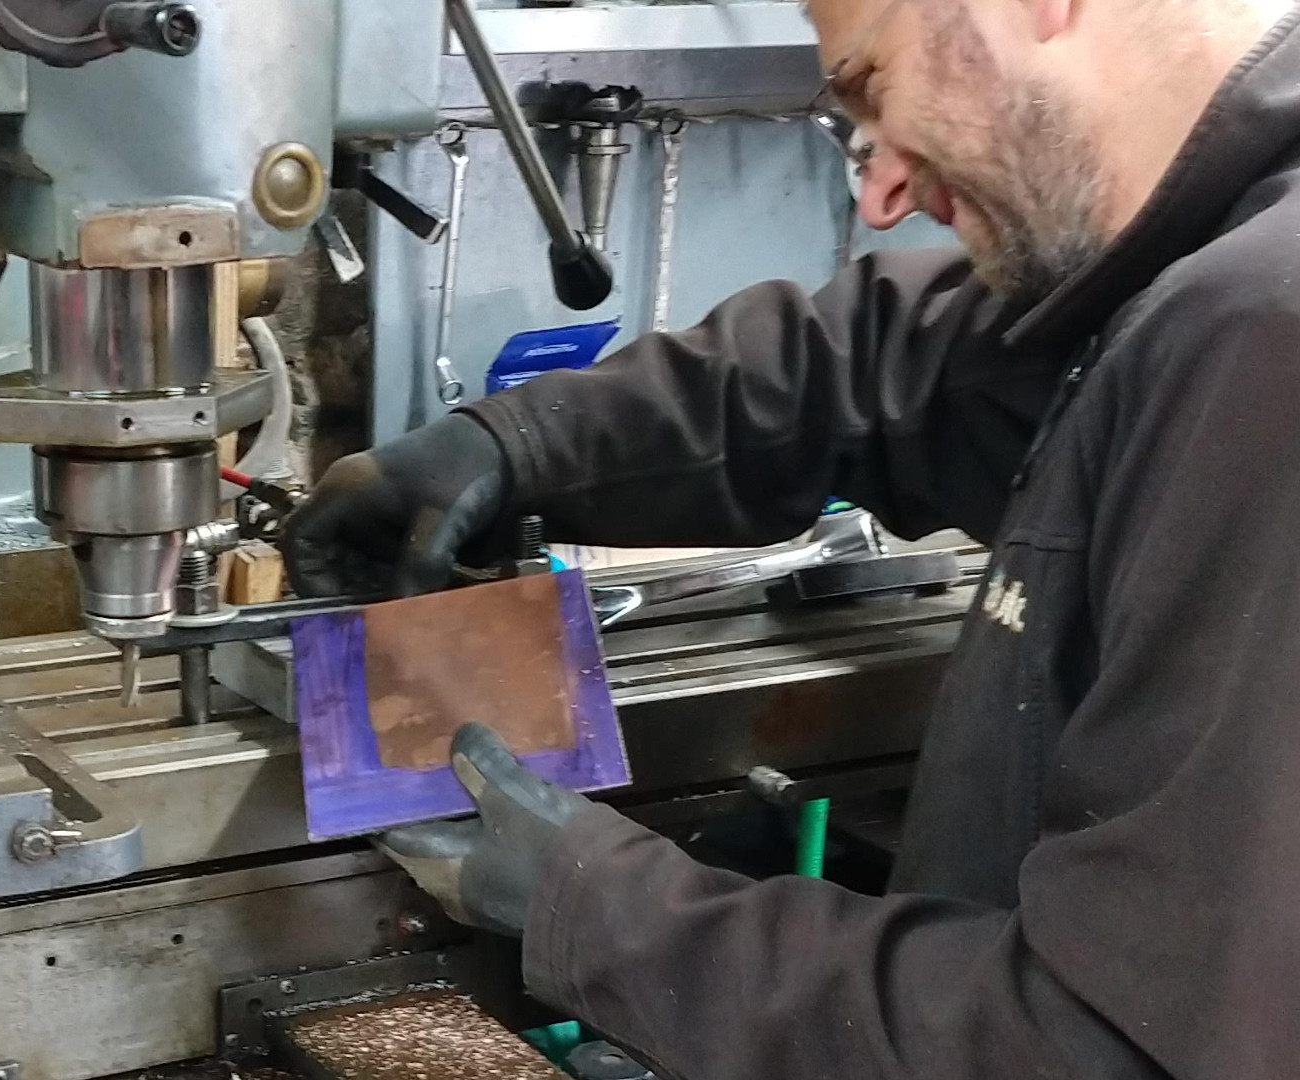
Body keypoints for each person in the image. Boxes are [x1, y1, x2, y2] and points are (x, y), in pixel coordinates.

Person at [281, 0, 1300, 1074]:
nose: (879, 191)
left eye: (872, 86)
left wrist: (610, 914)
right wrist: (513, 445)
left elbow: (1105, 1044)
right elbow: (891, 372)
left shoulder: (1265, 339)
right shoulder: (1194, 260)